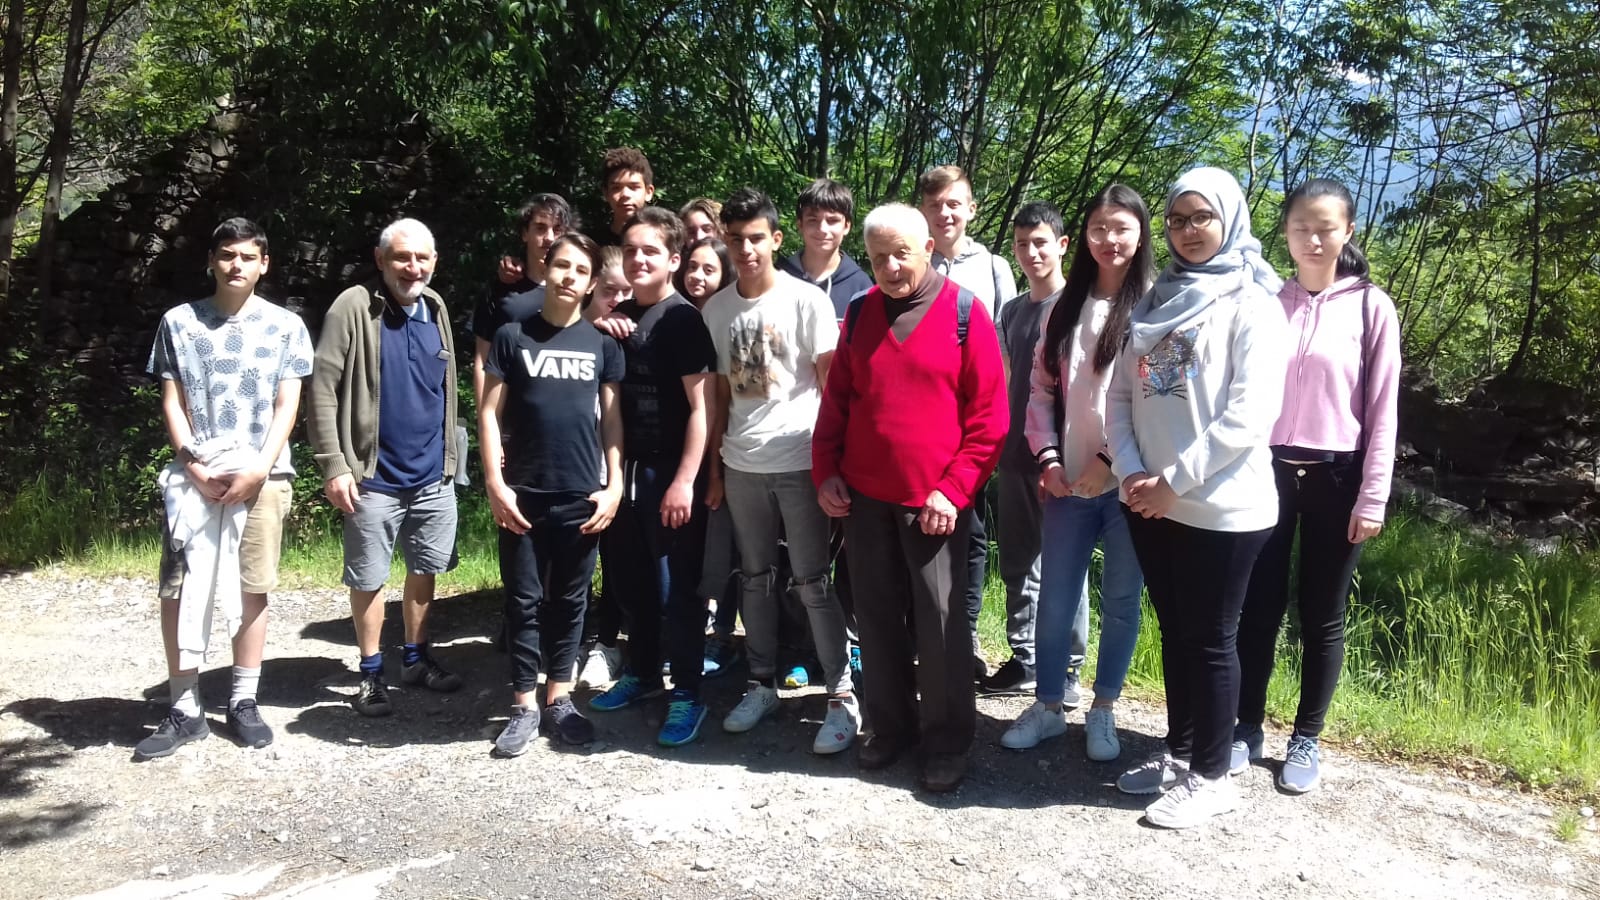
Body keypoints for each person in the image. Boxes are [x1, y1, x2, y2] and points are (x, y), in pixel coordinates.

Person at [1106, 167, 1288, 829]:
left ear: (1229, 221)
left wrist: (1171, 482)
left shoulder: (1252, 303)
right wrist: (1132, 473)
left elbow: (1248, 415)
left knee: (1210, 640)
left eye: (1201, 217)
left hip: (1222, 509)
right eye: (1177, 219)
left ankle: (1212, 777)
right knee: (1177, 633)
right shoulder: (1158, 299)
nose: (1187, 230)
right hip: (1150, 503)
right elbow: (1121, 396)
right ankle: (1181, 754)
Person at [813, 203, 1007, 791]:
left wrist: (953, 490)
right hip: (866, 500)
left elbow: (990, 419)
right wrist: (827, 471)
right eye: (878, 258)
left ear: (928, 249)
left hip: (936, 506)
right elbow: (836, 403)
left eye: (901, 254)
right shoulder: (859, 312)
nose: (891, 267)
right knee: (875, 619)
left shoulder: (966, 314)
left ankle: (946, 741)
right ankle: (890, 727)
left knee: (940, 626)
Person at [1231, 178, 1401, 793]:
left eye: (1326, 228)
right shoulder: (1266, 301)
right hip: (1268, 471)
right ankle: (1246, 727)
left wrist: (1372, 496)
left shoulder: (1371, 307)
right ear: (1285, 232)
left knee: (1322, 613)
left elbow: (1383, 410)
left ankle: (1306, 737)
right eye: (1301, 227)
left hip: (1338, 475)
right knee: (1259, 605)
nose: (1313, 239)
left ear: (1347, 231)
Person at [137, 217, 313, 760]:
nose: (237, 265)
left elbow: (288, 403)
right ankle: (184, 707)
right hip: (196, 476)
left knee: (251, 587)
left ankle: (243, 700)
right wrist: (192, 464)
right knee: (178, 589)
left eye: (248, 256)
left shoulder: (286, 326)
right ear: (212, 260)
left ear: (264, 264)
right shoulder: (178, 322)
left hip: (263, 475)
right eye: (227, 254)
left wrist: (259, 468)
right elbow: (172, 400)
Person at [702, 187, 859, 754]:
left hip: (800, 461)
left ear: (775, 239)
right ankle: (760, 684)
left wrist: (834, 466)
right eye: (735, 239)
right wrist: (716, 470)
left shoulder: (805, 301)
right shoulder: (716, 309)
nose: (745, 250)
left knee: (813, 581)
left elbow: (834, 388)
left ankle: (841, 696)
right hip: (741, 464)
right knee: (754, 578)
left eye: (755, 239)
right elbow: (720, 396)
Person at [1002, 188, 1153, 763]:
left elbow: (1155, 400)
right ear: (1083, 237)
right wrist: (1048, 459)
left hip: (1130, 485)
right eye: (1098, 228)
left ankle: (1104, 708)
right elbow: (1040, 391)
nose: (1109, 240)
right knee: (1056, 596)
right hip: (1065, 481)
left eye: (1121, 228)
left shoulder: (1156, 306)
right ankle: (1047, 706)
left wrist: (1109, 461)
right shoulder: (1063, 307)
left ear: (1140, 234)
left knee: (1121, 600)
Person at [307, 218, 464, 718]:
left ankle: (415, 658)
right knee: (369, 576)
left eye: (421, 258)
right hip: (372, 476)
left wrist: (451, 460)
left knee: (425, 568)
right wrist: (334, 464)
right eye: (401, 257)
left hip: (432, 474)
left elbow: (444, 388)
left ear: (434, 262)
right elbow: (322, 388)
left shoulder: (435, 307)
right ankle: (371, 672)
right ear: (381, 260)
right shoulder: (353, 306)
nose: (412, 267)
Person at [480, 232, 624, 756]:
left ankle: (559, 697)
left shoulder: (602, 345)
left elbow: (612, 422)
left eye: (581, 270)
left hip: (582, 495)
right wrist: (494, 483)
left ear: (591, 283)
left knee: (570, 600)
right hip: (522, 494)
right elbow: (489, 412)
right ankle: (523, 704)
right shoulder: (512, 337)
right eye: (562, 265)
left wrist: (614, 485)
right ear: (546, 270)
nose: (569, 277)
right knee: (522, 601)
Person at [587, 207, 721, 748]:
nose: (639, 259)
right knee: (631, 583)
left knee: (676, 592)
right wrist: (598, 325)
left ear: (673, 259)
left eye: (651, 251)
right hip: (626, 471)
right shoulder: (617, 317)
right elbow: (609, 402)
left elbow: (704, 408)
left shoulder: (682, 320)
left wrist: (685, 480)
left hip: (670, 473)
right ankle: (642, 673)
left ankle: (687, 691)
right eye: (631, 250)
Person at [979, 201, 1089, 697]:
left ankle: (1067, 667)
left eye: (1041, 242)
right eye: (1022, 244)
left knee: (1064, 565)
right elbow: (1006, 380)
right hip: (1015, 453)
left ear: (1062, 245)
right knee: (1018, 561)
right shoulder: (1011, 311)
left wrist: (1065, 457)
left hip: (1065, 459)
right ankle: (1025, 658)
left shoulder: (1080, 307)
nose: (1031, 252)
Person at [916, 164, 1018, 681]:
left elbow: (1004, 349)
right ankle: (921, 635)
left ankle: (966, 636)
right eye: (935, 204)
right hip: (919, 424)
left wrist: (994, 422)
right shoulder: (910, 259)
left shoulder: (994, 267)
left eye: (954, 203)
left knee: (970, 529)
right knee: (915, 527)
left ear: (971, 209)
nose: (945, 213)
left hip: (972, 424)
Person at [472, 194, 575, 405]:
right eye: (540, 228)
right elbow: (482, 360)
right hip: (509, 414)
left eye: (557, 230)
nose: (549, 238)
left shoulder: (579, 292)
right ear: (525, 233)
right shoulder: (500, 290)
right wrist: (485, 418)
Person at [778, 178, 874, 323]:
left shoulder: (861, 286)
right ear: (800, 225)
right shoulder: (777, 279)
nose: (822, 229)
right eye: (813, 220)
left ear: (846, 226)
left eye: (832, 220)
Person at [595, 147, 656, 246]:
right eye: (616, 188)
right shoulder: (592, 245)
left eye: (634, 187)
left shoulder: (664, 240)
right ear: (606, 194)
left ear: (648, 192)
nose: (625, 194)